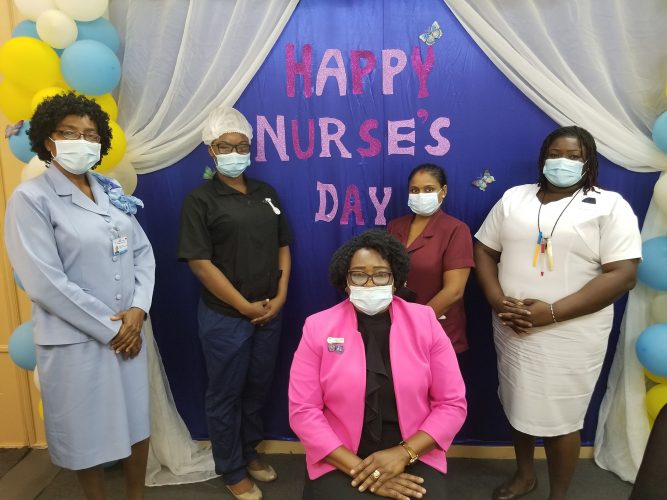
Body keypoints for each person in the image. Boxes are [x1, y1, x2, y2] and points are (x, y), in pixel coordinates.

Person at [474, 126, 641, 500]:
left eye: (573, 156)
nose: (561, 162)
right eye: (555, 154)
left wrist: (550, 313)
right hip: (511, 325)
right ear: (542, 158)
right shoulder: (514, 198)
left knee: (561, 419)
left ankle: (559, 494)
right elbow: (484, 250)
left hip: (570, 334)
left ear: (589, 162)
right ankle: (524, 475)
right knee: (519, 403)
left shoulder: (610, 206)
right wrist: (498, 300)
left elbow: (623, 274)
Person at [4, 92, 155, 500]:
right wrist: (112, 329)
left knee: (136, 423)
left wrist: (138, 310)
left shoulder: (109, 193)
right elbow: (45, 281)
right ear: (47, 141)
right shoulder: (30, 199)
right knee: (88, 437)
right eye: (68, 132)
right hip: (80, 341)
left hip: (131, 330)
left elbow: (142, 252)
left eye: (90, 134)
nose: (81, 141)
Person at [289, 230, 466, 500]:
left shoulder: (425, 322)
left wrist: (403, 454)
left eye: (381, 274)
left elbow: (452, 404)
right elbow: (303, 411)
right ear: (346, 282)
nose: (370, 284)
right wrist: (364, 472)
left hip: (414, 449)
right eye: (359, 275)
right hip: (339, 454)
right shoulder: (317, 327)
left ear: (395, 280)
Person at [178, 106, 291, 500]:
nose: (234, 152)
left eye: (241, 145)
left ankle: (249, 451)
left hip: (269, 311)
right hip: (226, 317)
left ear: (251, 148)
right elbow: (199, 262)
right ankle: (230, 469)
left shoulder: (266, 194)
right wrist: (243, 306)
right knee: (225, 392)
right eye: (224, 146)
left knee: (258, 388)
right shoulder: (200, 200)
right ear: (211, 150)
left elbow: (283, 246)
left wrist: (280, 297)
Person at [388, 163, 474, 353]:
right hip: (396, 329)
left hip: (438, 330)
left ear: (443, 191)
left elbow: (454, 291)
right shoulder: (395, 227)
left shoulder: (456, 230)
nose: (421, 195)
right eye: (414, 190)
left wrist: (414, 325)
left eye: (428, 189)